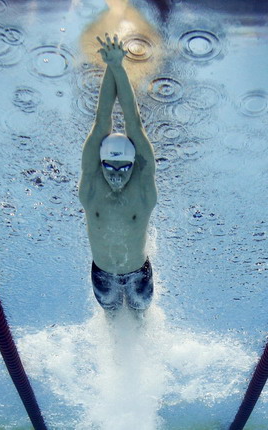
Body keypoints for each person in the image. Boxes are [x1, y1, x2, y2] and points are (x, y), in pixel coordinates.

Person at [78, 34, 157, 317]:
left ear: (134, 165)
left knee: (140, 318)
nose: (116, 175)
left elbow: (133, 121)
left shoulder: (143, 186)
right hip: (102, 274)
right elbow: (102, 122)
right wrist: (110, 65)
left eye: (124, 167)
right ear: (99, 165)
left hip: (138, 275)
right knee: (111, 319)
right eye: (109, 168)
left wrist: (118, 67)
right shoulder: (91, 187)